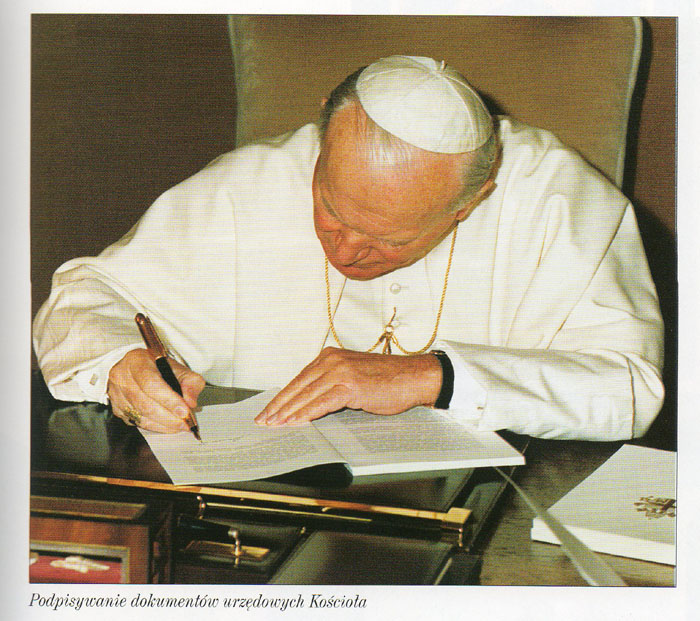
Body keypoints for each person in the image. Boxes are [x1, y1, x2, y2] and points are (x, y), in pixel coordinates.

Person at [33, 55, 664, 441]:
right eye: (331, 211)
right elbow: (85, 294)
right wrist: (120, 364)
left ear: (471, 202)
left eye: (390, 238)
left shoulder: (559, 199)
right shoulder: (250, 182)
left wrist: (435, 375)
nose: (349, 251)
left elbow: (630, 388)